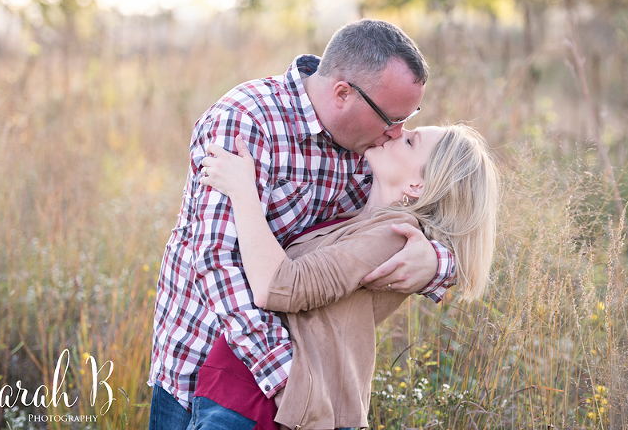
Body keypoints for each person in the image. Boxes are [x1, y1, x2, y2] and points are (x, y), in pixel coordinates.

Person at [147, 19, 457, 429]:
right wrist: (287, 379)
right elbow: (218, 262)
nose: (397, 133)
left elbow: (436, 205)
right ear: (343, 93)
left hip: (309, 389)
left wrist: (436, 263)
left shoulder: (373, 148)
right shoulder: (246, 121)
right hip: (208, 370)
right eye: (391, 118)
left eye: (408, 117)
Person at [197, 123, 498, 429]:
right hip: (238, 392)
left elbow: (279, 286)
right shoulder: (359, 217)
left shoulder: (393, 235)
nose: (397, 132)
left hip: (257, 406)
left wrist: (243, 191)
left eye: (410, 142)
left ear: (416, 186)